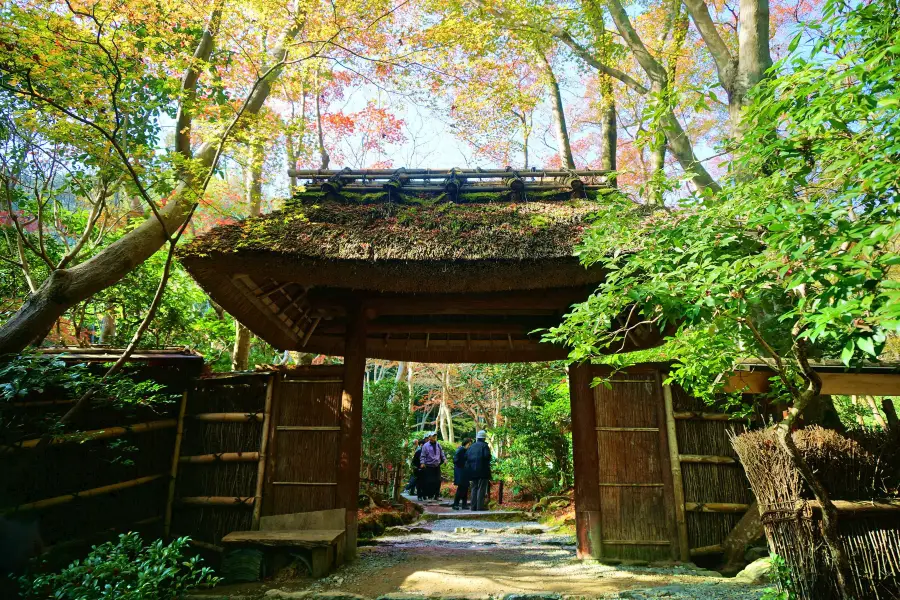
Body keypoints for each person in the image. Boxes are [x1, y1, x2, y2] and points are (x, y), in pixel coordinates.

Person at [466, 430, 492, 511]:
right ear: (484, 438)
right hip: (482, 471)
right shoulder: (484, 446)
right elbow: (487, 456)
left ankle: (473, 507)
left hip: (472, 471)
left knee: (474, 488)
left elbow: (466, 457)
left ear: (477, 438)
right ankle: (480, 507)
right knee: (481, 488)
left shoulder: (472, 446)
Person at [419, 431, 446, 501]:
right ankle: (430, 496)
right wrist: (422, 463)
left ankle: (436, 496)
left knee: (438, 481)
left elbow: (442, 453)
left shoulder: (438, 445)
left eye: (435, 436)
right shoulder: (425, 446)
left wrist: (445, 459)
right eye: (432, 436)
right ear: (429, 437)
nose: (434, 437)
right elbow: (423, 456)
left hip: (437, 465)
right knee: (430, 481)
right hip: (429, 466)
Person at [451, 438, 473, 510]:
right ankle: (455, 504)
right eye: (468, 444)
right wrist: (463, 464)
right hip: (460, 471)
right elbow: (455, 460)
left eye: (470, 444)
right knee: (461, 488)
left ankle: (464, 504)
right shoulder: (460, 450)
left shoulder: (466, 450)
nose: (469, 446)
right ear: (465, 444)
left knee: (465, 487)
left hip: (464, 471)